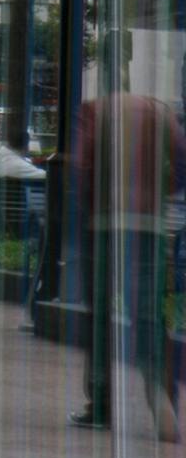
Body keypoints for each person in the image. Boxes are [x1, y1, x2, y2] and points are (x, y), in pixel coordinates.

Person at [68, 90, 186, 439]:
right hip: (148, 225)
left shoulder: (95, 111)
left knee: (100, 315)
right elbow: (183, 160)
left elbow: (81, 165)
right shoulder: (160, 113)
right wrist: (161, 192)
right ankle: (161, 389)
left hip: (104, 225)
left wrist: (92, 202)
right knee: (148, 313)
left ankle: (101, 402)